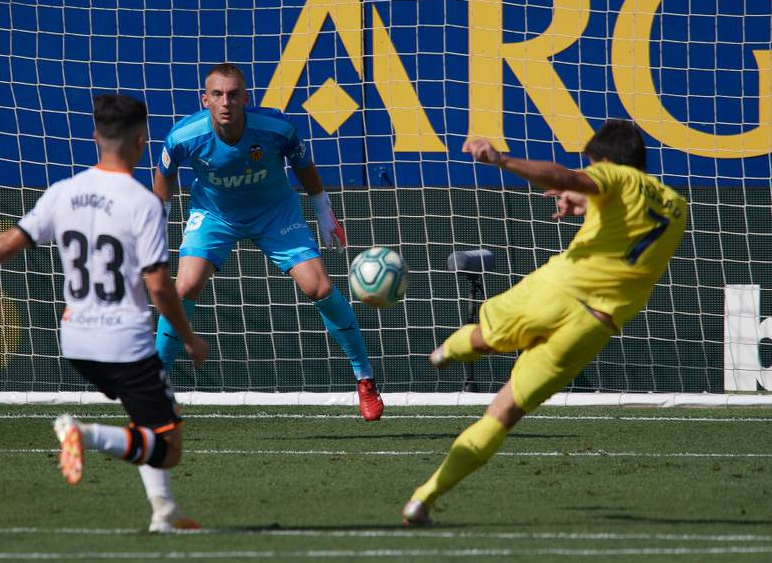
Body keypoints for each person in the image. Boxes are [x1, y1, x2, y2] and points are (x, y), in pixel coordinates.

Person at [0, 93, 209, 533]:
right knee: (169, 447)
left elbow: (6, 243)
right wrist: (191, 338)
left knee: (145, 422)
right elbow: (159, 285)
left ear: (95, 137)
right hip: (124, 341)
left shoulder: (64, 193)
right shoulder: (144, 203)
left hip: (77, 342)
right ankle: (84, 434)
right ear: (142, 141)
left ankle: (164, 511)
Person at [401, 119, 687, 526]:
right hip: (593, 326)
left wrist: (502, 160)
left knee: (483, 339)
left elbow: (569, 177)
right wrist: (584, 203)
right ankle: (423, 500)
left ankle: (447, 350)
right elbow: (622, 216)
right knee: (502, 415)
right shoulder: (677, 205)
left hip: (557, 291)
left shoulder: (612, 175)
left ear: (604, 161)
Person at [153, 62, 384, 421]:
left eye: (233, 95)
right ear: (205, 100)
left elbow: (303, 164)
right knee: (185, 287)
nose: (226, 102)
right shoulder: (183, 136)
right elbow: (164, 175)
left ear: (246, 98)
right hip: (215, 215)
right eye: (217, 95)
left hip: (276, 213)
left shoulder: (277, 128)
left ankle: (364, 378)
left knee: (319, 287)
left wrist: (323, 210)